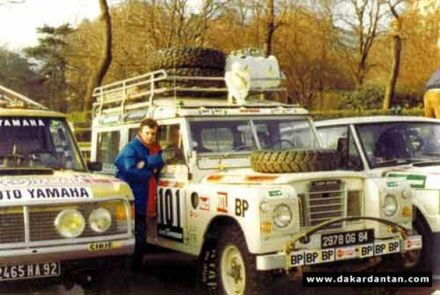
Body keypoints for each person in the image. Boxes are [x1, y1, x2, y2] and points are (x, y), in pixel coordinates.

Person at [114, 118, 164, 271]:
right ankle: (132, 269)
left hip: (145, 196)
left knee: (141, 233)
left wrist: (146, 162)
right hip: (132, 197)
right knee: (136, 234)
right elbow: (128, 170)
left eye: (153, 133)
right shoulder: (131, 148)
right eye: (147, 133)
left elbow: (163, 159)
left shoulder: (155, 147)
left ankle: (135, 267)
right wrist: (150, 171)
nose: (150, 136)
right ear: (140, 133)